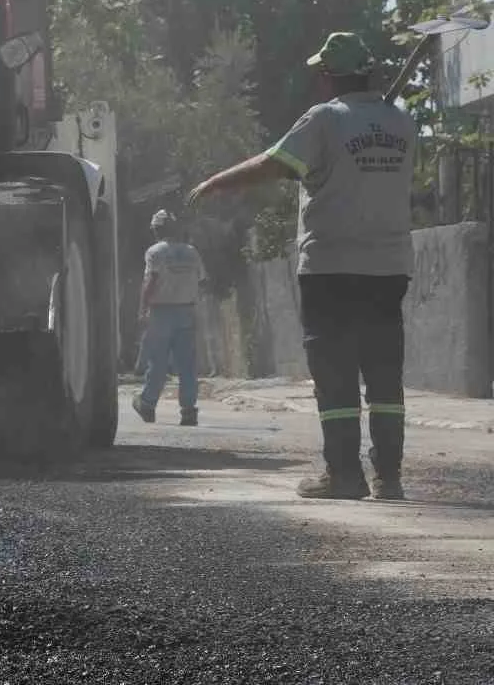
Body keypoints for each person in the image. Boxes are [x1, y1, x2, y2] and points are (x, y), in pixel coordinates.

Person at [188, 32, 412, 501]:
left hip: (331, 267)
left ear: (329, 76)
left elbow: (275, 163)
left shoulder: (325, 120)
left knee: (335, 373)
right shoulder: (402, 123)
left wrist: (216, 182)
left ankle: (344, 475)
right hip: (389, 269)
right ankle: (389, 478)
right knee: (385, 374)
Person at [131, 209, 205, 427]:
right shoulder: (192, 252)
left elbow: (150, 282)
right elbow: (201, 280)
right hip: (187, 311)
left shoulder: (155, 252)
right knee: (187, 364)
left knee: (158, 361)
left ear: (156, 230)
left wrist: (142, 308)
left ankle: (148, 404)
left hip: (161, 312)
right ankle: (189, 411)